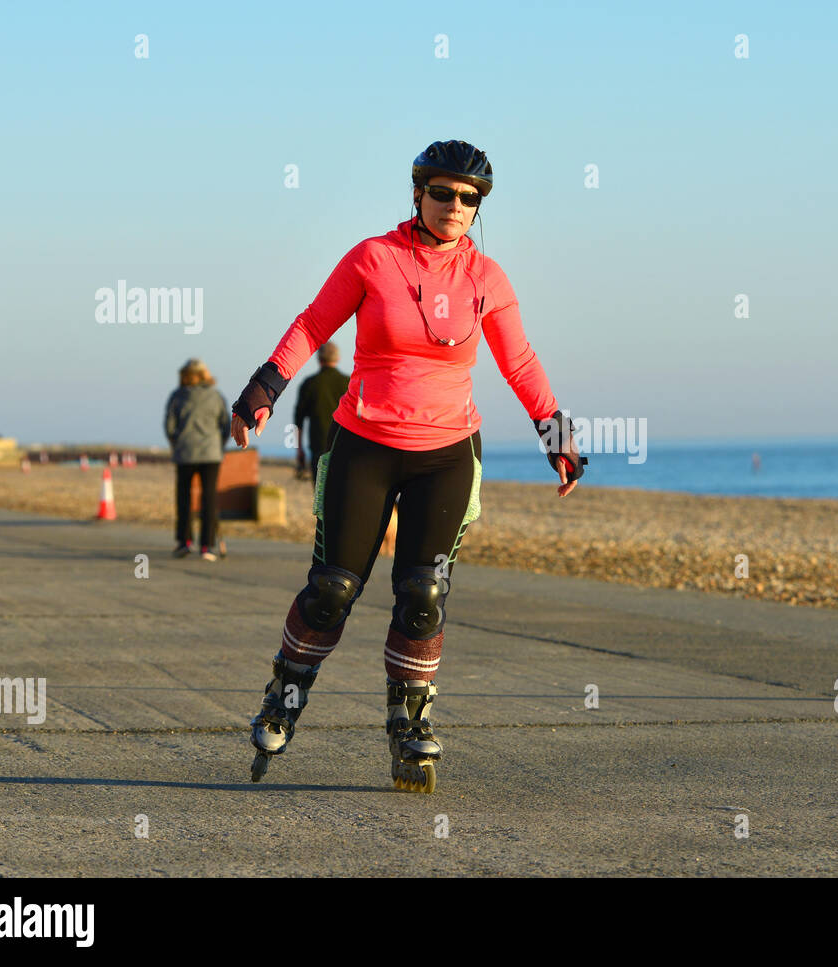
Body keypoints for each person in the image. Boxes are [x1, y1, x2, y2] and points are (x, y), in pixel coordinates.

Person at [231, 139, 587, 791]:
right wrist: (265, 385)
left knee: (423, 595)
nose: (456, 206)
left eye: (470, 198)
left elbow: (520, 361)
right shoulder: (375, 258)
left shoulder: (488, 279)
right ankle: (286, 688)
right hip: (363, 443)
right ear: (418, 192)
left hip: (447, 453)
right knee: (331, 590)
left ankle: (410, 722)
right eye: (444, 192)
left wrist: (555, 430)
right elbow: (313, 324)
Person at [164, 358, 231, 561]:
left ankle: (184, 542)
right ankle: (207, 546)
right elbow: (225, 425)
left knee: (183, 497)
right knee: (209, 498)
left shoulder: (177, 396)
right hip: (211, 453)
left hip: (185, 452)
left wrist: (176, 443)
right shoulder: (216, 396)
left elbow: (169, 426)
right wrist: (218, 445)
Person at [293, 341, 349, 483]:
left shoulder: (310, 384)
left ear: (319, 358)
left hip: (319, 447)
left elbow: (297, 421)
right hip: (344, 447)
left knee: (320, 498)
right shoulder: (348, 383)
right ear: (337, 358)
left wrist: (298, 449)